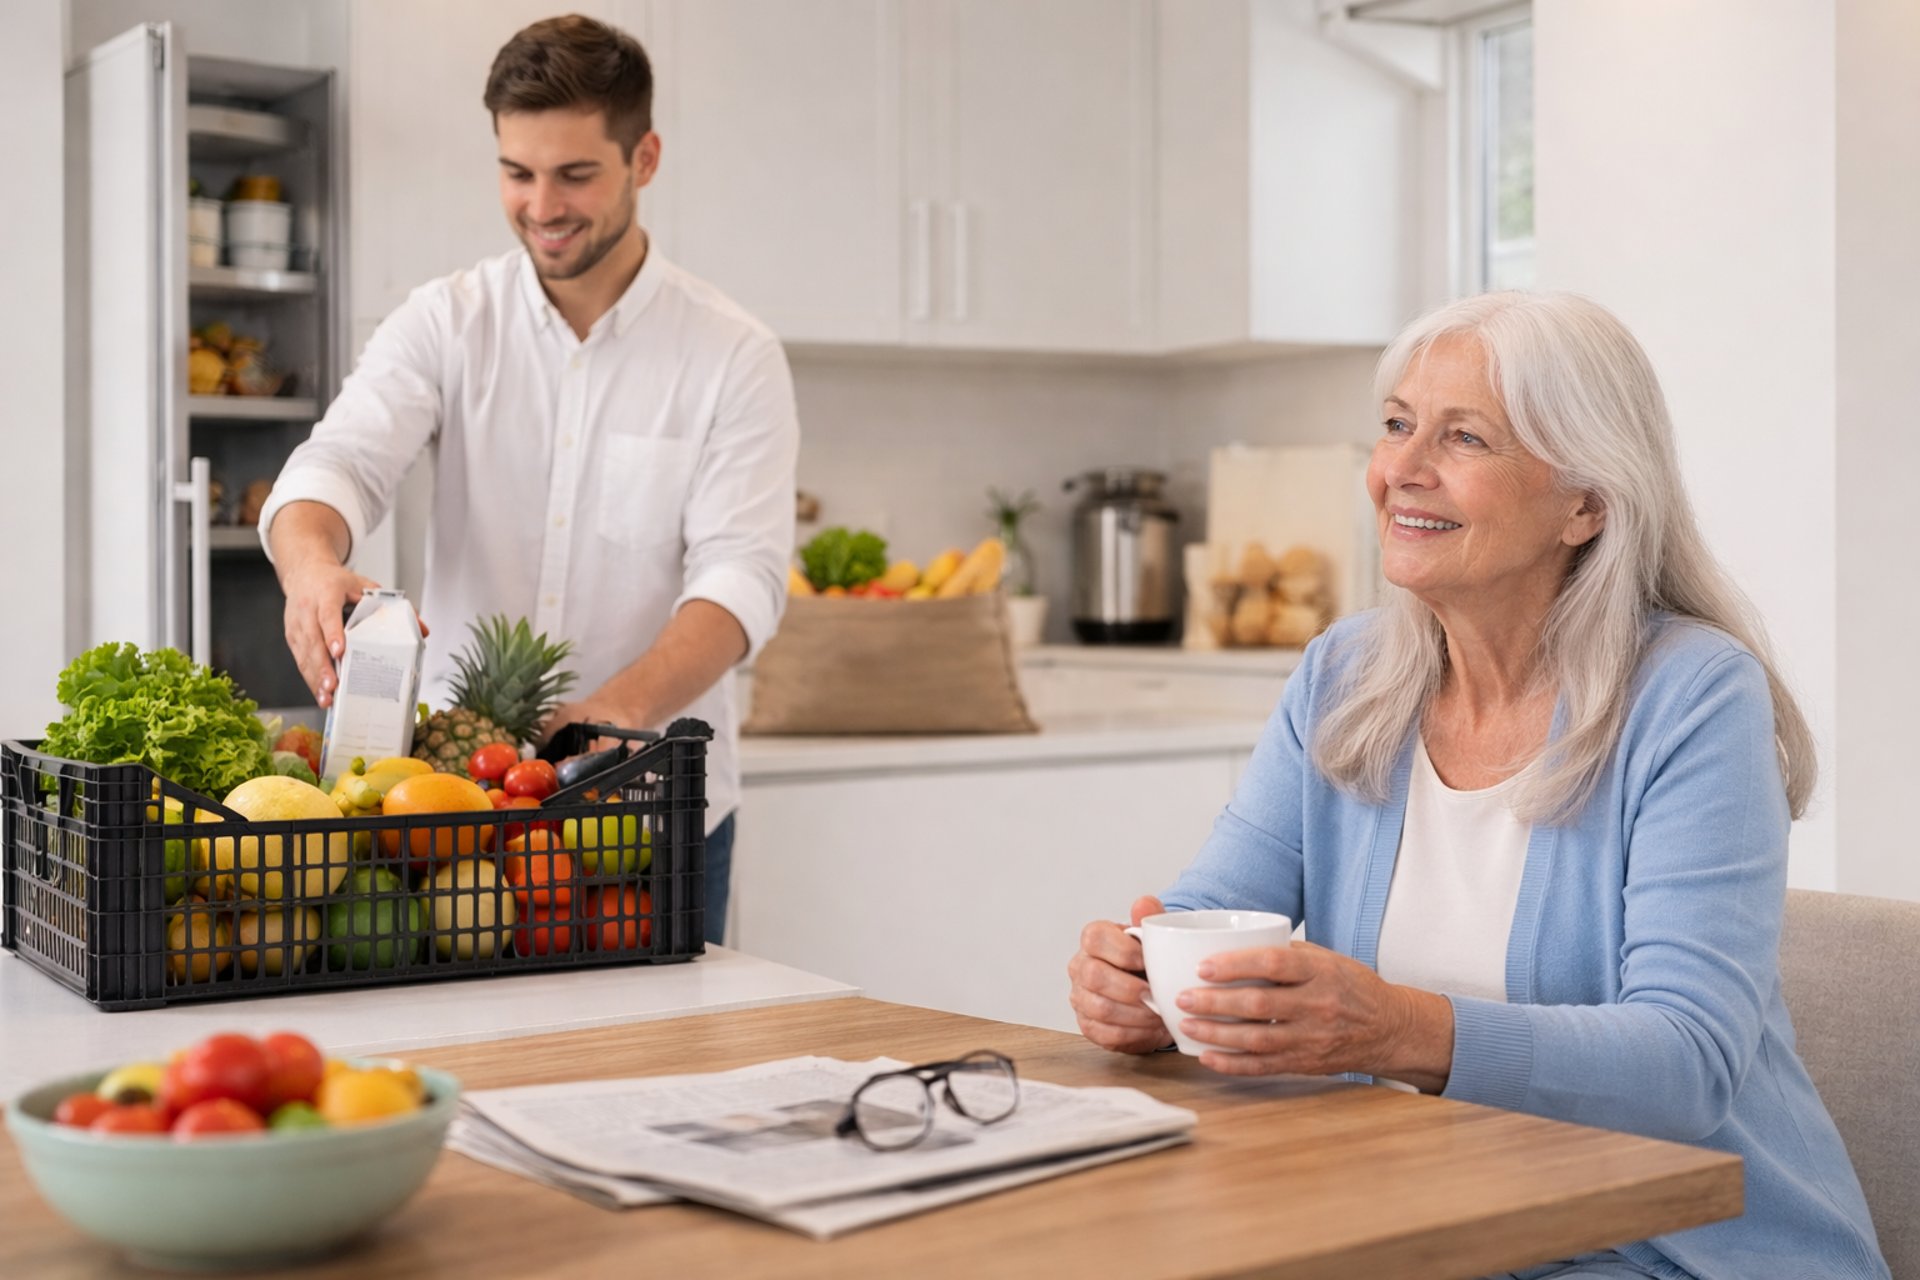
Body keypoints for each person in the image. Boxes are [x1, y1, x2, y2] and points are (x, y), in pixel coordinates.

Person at [1067, 292, 1888, 1279]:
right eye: (1397, 424)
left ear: (1586, 504)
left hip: (1667, 1249)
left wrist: (1396, 1026)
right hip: (1419, 1220)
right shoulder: (1342, 675)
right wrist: (1145, 987)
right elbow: (1212, 915)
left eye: (1464, 437)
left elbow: (1686, 1064)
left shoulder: (1693, 695)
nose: (1402, 470)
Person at [261, 15, 797, 945]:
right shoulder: (446, 321)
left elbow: (741, 577)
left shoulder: (731, 355)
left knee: (671, 1039)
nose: (542, 205)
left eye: (575, 174)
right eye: (517, 172)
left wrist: (617, 711)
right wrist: (310, 567)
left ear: (644, 159)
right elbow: (340, 459)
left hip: (649, 807)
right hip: (457, 813)